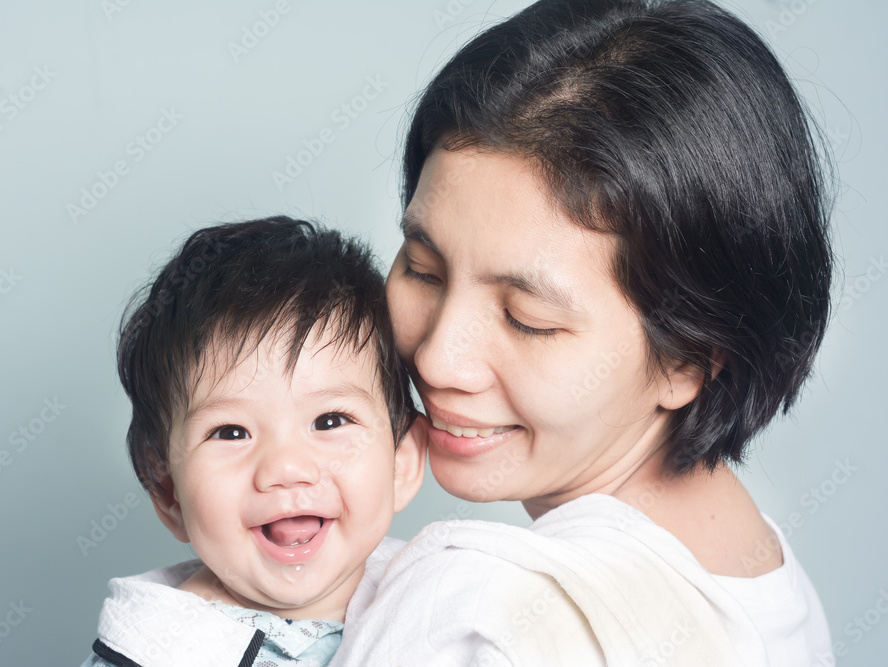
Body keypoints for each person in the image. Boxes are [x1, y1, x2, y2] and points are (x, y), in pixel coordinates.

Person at [332, 0, 834, 665]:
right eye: (422, 269)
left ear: (686, 357)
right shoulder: (762, 581)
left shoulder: (476, 616)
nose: (437, 356)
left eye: (527, 319)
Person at [80, 217, 426, 667]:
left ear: (401, 461)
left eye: (329, 420)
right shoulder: (153, 651)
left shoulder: (446, 599)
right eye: (230, 432)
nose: (286, 468)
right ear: (168, 492)